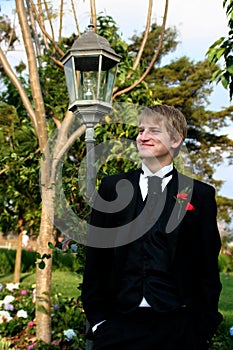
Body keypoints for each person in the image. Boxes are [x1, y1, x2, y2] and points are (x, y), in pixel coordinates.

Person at [81, 104, 223, 350]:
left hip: (179, 328)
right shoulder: (112, 187)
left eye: (153, 131)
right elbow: (96, 258)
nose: (142, 136)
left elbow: (207, 267)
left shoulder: (199, 195)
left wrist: (201, 327)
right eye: (140, 130)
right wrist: (98, 321)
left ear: (176, 140)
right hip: (118, 325)